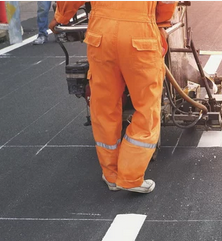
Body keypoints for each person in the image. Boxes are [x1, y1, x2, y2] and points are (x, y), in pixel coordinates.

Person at [50, 1, 176, 193]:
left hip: (101, 36)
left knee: (104, 107)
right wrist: (159, 23)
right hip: (140, 36)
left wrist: (61, 17)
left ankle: (111, 175)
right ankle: (131, 176)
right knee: (146, 107)